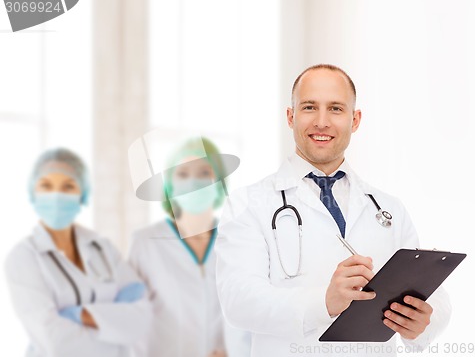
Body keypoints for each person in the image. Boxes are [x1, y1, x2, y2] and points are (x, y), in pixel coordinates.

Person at [215, 64, 451, 356]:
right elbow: (238, 301)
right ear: (290, 117)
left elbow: (433, 295)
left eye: (336, 109)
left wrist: (424, 322)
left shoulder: (388, 209)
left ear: (355, 120)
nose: (322, 122)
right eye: (309, 107)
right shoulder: (247, 204)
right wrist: (324, 303)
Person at [4, 148, 152, 357]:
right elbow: (55, 343)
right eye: (46, 186)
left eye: (68, 186)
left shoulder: (103, 248)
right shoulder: (23, 257)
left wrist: (78, 315)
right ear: (33, 193)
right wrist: (113, 327)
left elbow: (141, 320)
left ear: (82, 193)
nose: (56, 195)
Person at [129, 137, 250, 357]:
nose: (194, 182)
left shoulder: (237, 242)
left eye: (204, 173)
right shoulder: (145, 243)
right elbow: (132, 324)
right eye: (183, 174)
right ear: (169, 185)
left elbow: (250, 316)